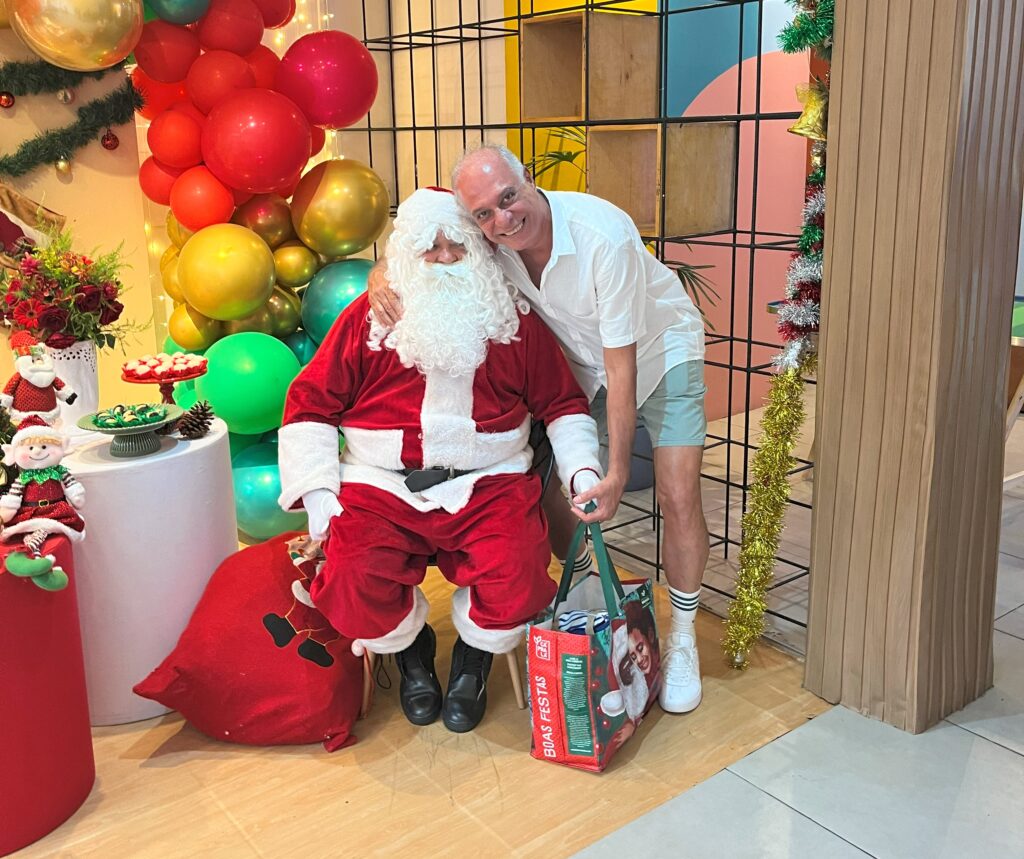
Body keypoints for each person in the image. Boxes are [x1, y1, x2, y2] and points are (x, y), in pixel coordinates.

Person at [368, 144, 709, 715]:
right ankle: (588, 605)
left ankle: (683, 635)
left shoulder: (604, 235)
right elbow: (421, 237)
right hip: (581, 364)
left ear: (528, 180)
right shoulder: (488, 240)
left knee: (677, 493)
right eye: (484, 214)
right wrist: (382, 269)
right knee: (556, 497)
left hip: (658, 351)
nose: (503, 219)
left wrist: (620, 470)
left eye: (510, 198)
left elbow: (621, 365)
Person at [278, 188, 602, 734]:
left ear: (480, 249)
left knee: (519, 569)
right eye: (432, 248)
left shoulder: (514, 321)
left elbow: (562, 403)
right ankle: (410, 649)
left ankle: (475, 656)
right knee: (353, 574)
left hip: (489, 481)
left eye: (458, 245)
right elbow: (310, 404)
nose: (447, 258)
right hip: (381, 484)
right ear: (407, 253)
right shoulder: (367, 320)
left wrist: (582, 470)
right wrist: (319, 496)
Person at [601, 600, 660, 754]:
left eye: (641, 648)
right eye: (633, 656)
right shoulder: (635, 677)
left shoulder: (651, 673)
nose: (639, 660)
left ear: (651, 636)